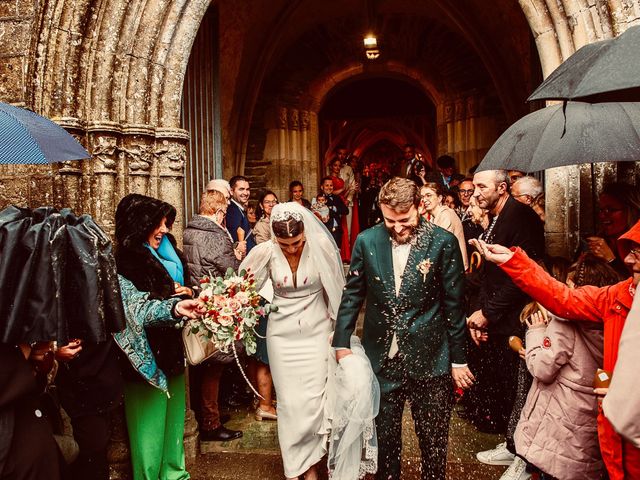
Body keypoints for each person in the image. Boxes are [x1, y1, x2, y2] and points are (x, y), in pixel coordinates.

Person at [470, 218, 640, 480]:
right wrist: (513, 261)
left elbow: (544, 366)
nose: (629, 261)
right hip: (611, 441)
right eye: (630, 251)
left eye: (639, 253)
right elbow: (564, 298)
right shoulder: (619, 294)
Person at [333, 177, 473, 480]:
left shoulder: (442, 242)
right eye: (390, 220)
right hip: (382, 358)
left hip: (431, 356)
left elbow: (454, 306)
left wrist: (458, 359)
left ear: (420, 207)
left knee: (433, 443)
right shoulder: (367, 241)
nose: (397, 228)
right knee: (385, 441)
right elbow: (353, 293)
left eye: (405, 220)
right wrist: (341, 340)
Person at [240, 202, 346, 480]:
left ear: (305, 234)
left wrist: (339, 330)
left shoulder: (321, 246)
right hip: (281, 336)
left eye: (296, 242)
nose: (291, 249)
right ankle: (293, 467)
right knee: (288, 403)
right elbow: (242, 290)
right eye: (284, 244)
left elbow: (337, 291)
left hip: (317, 332)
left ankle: (310, 467)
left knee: (312, 402)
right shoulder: (264, 252)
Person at [508, 254, 619, 480]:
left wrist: (537, 332)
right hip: (587, 429)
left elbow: (541, 369)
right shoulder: (614, 321)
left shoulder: (566, 321)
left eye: (569, 287)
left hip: (558, 430)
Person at [114, 193, 193, 480]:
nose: (165, 230)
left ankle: (175, 475)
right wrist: (173, 301)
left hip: (171, 352)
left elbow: (180, 287)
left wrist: (188, 293)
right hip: (144, 361)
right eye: (158, 224)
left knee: (173, 427)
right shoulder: (126, 260)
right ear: (139, 224)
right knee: (148, 434)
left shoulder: (166, 253)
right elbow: (138, 308)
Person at [465, 169, 545, 435]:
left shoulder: (521, 217)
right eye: (475, 186)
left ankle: (515, 445)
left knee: (514, 385)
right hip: (496, 314)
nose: (476, 193)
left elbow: (522, 276)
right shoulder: (498, 217)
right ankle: (505, 438)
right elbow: (492, 274)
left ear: (502, 188)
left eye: (482, 187)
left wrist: (487, 313)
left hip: (514, 316)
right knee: (500, 382)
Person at [182, 190, 245, 441]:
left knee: (204, 363)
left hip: (196, 303)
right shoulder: (216, 235)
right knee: (215, 366)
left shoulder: (188, 230)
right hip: (216, 306)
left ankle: (208, 413)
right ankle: (210, 423)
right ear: (219, 212)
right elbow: (232, 272)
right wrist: (238, 256)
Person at [247, 190, 278, 421]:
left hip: (270, 303)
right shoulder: (267, 248)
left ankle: (263, 398)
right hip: (265, 303)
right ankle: (264, 405)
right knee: (265, 355)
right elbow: (248, 275)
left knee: (266, 355)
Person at [585, 182, 640, 278]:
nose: (602, 216)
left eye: (610, 210)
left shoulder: (637, 243)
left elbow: (634, 285)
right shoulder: (597, 241)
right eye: (601, 210)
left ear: (630, 210)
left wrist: (610, 260)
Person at [419, 182, 468, 270]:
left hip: (455, 269)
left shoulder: (446, 214)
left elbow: (438, 246)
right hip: (446, 265)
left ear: (439, 198)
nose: (424, 200)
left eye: (428, 195)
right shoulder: (434, 217)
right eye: (422, 197)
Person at [227, 175, 256, 253]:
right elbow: (236, 241)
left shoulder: (239, 209)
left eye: (247, 189)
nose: (246, 193)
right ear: (232, 191)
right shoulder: (232, 211)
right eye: (241, 189)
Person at [319, 176, 349, 249]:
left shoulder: (337, 198)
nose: (329, 187)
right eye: (327, 185)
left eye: (331, 185)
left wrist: (334, 208)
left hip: (337, 230)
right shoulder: (319, 199)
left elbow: (346, 211)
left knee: (337, 252)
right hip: (325, 230)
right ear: (322, 187)